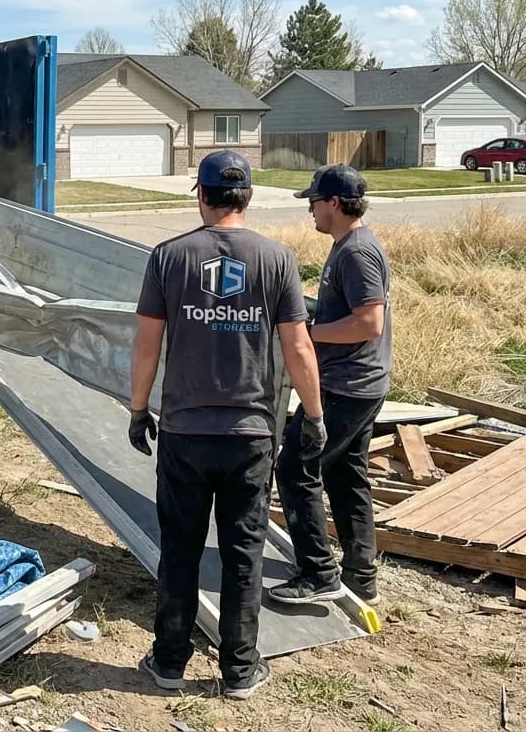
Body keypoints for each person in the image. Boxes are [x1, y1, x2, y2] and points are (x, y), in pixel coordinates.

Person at [129, 149, 325, 699]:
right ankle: (240, 670)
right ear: (249, 197)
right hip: (251, 436)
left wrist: (138, 408)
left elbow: (147, 344)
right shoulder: (277, 259)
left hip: (185, 433)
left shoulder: (168, 257)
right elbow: (299, 348)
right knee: (244, 552)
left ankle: (169, 663)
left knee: (180, 548)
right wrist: (313, 415)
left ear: (202, 195)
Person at [268, 164, 392, 608]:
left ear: (335, 204)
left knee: (295, 470)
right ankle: (360, 576)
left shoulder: (356, 253)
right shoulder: (351, 245)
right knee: (345, 475)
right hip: (363, 383)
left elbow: (368, 323)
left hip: (346, 385)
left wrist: (302, 333)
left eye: (314, 202)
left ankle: (317, 572)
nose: (311, 211)